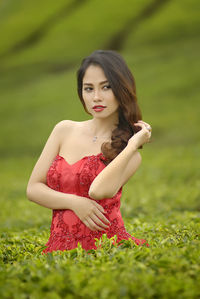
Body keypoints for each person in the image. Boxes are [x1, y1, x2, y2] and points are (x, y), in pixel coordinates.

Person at [26, 50, 152, 253]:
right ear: (80, 92)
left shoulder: (130, 154)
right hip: (58, 251)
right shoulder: (64, 130)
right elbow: (33, 189)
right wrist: (75, 202)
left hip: (106, 250)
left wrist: (131, 145)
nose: (96, 97)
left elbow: (98, 191)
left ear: (122, 90)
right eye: (88, 88)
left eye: (106, 87)